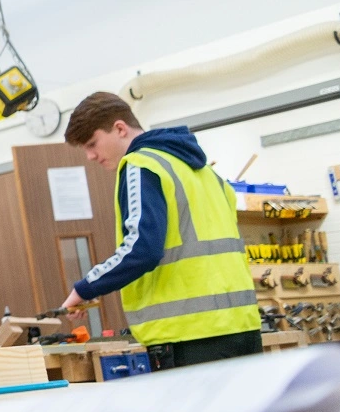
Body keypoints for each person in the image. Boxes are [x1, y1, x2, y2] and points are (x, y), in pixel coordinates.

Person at [56, 92, 260, 370]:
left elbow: (142, 249)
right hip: (243, 329)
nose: (91, 156)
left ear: (119, 128)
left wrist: (85, 288)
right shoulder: (204, 172)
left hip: (190, 339)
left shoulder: (141, 165)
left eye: (93, 144)